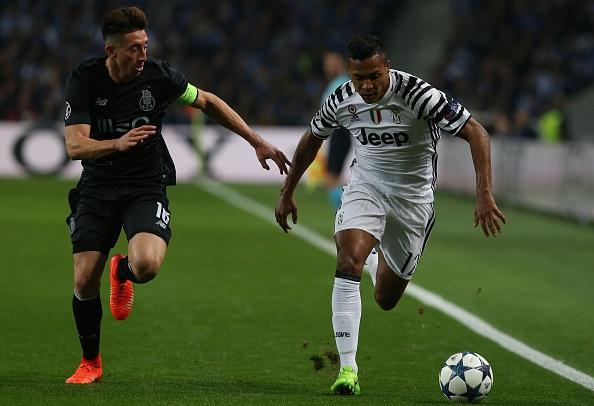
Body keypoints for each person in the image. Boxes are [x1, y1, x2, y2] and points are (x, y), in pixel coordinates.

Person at [63, 6, 290, 384]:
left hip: (145, 184)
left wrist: (257, 141)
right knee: (85, 279)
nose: (142, 56)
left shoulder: (159, 77)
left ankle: (123, 270)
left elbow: (208, 101)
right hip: (98, 187)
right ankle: (91, 363)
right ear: (111, 51)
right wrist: (116, 144)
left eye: (145, 46)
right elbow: (75, 146)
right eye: (134, 49)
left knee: (148, 266)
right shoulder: (84, 78)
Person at [275, 34, 506, 395]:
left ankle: (373, 255)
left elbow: (476, 132)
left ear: (387, 67)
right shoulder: (341, 99)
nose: (366, 86)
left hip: (413, 201)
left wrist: (484, 193)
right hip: (366, 186)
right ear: (350, 75)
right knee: (347, 259)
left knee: (386, 298)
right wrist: (287, 191)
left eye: (373, 76)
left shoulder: (417, 94)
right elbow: (312, 138)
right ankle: (347, 370)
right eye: (358, 78)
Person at [320, 52, 352, 211]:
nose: (329, 68)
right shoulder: (336, 83)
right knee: (332, 179)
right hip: (338, 134)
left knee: (331, 179)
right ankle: (344, 215)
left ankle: (345, 214)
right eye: (327, 64)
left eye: (332, 64)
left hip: (341, 132)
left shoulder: (342, 83)